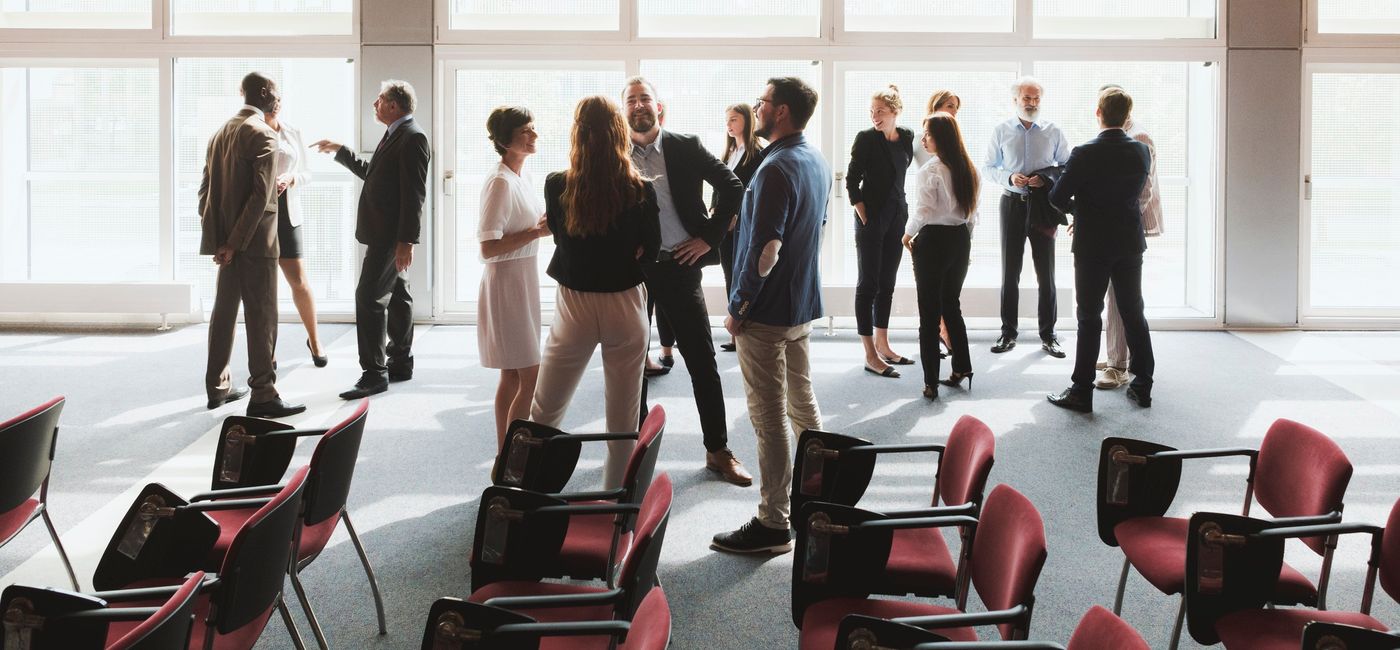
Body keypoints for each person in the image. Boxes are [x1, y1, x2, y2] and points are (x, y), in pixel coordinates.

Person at [712, 76, 828, 554]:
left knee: (768, 416)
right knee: (801, 403)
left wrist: (739, 306)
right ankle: (818, 498)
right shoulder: (814, 158)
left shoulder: (776, 167)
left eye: (762, 102)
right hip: (800, 304)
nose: (756, 108)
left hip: (767, 311)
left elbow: (766, 249)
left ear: (780, 111)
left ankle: (774, 521)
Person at [622, 76, 752, 487]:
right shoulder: (613, 151)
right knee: (628, 365)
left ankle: (718, 450)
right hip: (633, 274)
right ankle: (632, 453)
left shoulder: (685, 145)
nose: (639, 105)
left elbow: (734, 186)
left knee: (702, 360)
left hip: (680, 264)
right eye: (631, 100)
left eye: (645, 98)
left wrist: (708, 238)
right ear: (623, 110)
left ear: (659, 108)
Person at [532, 95, 660, 490]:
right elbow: (651, 250)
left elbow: (560, 233)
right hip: (625, 301)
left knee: (546, 407)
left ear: (577, 134)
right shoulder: (640, 189)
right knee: (623, 416)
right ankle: (615, 501)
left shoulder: (557, 185)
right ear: (620, 132)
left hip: (575, 304)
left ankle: (528, 489)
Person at [313, 80, 432, 400]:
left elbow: (415, 195)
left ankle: (374, 373)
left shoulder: (412, 137)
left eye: (379, 100)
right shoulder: (395, 134)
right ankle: (400, 361)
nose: (374, 105)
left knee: (368, 298)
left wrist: (406, 241)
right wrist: (341, 151)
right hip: (386, 233)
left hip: (390, 236)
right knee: (397, 296)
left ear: (394, 105)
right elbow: (374, 175)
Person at [199, 72, 305, 418]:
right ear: (264, 93)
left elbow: (205, 192)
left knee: (225, 312)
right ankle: (263, 393)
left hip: (228, 244)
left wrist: (220, 241)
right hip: (255, 243)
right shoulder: (262, 134)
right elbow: (262, 197)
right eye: (277, 92)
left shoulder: (220, 132)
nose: (279, 98)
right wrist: (236, 242)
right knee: (262, 317)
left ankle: (217, 386)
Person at [1046, 87, 1155, 414]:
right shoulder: (1141, 151)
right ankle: (1143, 384)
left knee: (1089, 315)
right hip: (1128, 241)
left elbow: (1056, 197)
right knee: (1133, 310)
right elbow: (1132, 192)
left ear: (1098, 113)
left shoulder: (1084, 153)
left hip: (1093, 243)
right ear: (1127, 116)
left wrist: (1080, 210)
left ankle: (1081, 390)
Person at [478, 106, 550, 451]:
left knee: (511, 374)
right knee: (530, 375)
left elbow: (529, 226)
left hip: (524, 279)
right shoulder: (499, 182)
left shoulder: (523, 177)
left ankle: (502, 456)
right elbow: (488, 247)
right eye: (526, 131)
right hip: (506, 283)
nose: (534, 135)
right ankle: (512, 457)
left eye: (533, 129)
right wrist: (536, 233)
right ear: (507, 140)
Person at [983, 76, 1071, 358]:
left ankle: (1049, 334)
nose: (1032, 104)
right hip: (1011, 205)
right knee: (1010, 272)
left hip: (1043, 206)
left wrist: (1045, 179)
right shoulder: (1001, 130)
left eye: (1036, 99)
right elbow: (987, 168)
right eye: (1026, 99)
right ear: (1015, 101)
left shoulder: (1053, 131)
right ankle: (1008, 333)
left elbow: (1067, 166)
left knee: (1046, 273)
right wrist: (1009, 176)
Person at [903, 112, 978, 401]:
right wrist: (965, 243)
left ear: (940, 138)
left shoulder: (931, 170)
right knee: (952, 305)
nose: (923, 140)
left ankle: (930, 382)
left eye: (928, 135)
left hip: (933, 241)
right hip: (960, 239)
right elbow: (973, 214)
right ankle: (962, 367)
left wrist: (907, 234)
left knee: (929, 313)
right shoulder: (970, 168)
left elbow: (923, 210)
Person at [1094, 84, 1163, 391]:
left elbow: (1142, 193)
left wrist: (1105, 218)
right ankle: (1116, 354)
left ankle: (1119, 365)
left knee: (1122, 300)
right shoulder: (1123, 134)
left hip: (1123, 230)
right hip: (1118, 229)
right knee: (1117, 296)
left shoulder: (1139, 137)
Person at [846, 84, 915, 378]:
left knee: (888, 283)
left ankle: (883, 344)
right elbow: (851, 181)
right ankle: (869, 354)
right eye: (872, 111)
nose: (875, 116)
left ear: (895, 112)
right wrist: (864, 215)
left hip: (898, 216)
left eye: (881, 111)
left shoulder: (908, 137)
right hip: (871, 218)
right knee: (868, 285)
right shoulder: (865, 139)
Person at [263, 101, 327, 368]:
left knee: (299, 281)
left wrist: (291, 179)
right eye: (270, 101)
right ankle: (267, 350)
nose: (275, 106)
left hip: (288, 214)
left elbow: (308, 172)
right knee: (265, 287)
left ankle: (314, 340)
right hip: (260, 216)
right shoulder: (249, 130)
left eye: (278, 101)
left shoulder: (292, 131)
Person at [718, 102, 765, 353]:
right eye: (727, 119)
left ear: (747, 121)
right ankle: (734, 329)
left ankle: (743, 327)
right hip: (724, 226)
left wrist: (737, 214)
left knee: (741, 274)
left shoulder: (757, 153)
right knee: (729, 274)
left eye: (734, 119)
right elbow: (720, 186)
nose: (729, 124)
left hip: (743, 225)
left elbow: (754, 190)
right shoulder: (728, 152)